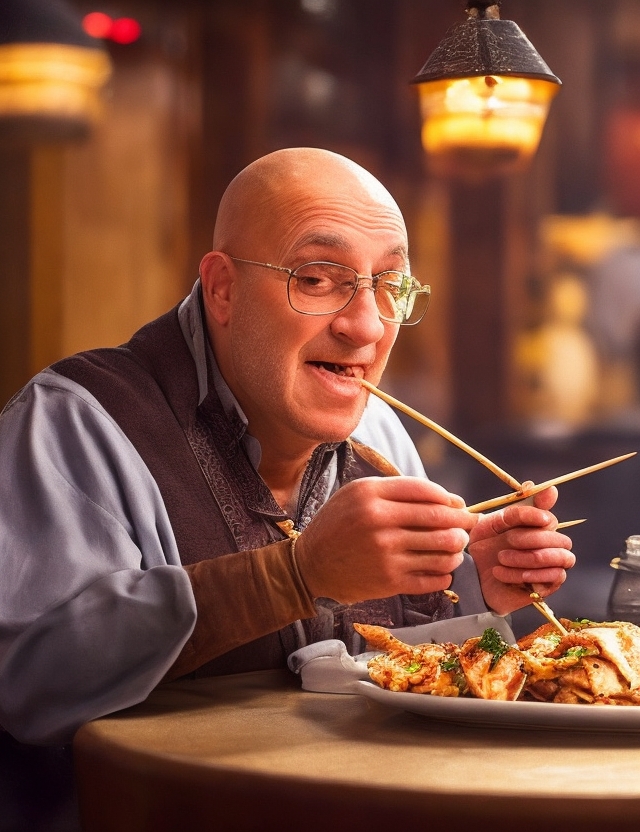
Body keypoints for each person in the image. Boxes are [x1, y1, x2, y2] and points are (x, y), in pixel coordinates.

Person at [0, 147, 574, 748]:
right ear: (222, 288)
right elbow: (26, 684)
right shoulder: (81, 422)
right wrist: (293, 577)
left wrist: (485, 597)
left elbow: (388, 679)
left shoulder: (376, 430)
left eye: (389, 286)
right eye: (318, 280)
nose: (369, 327)